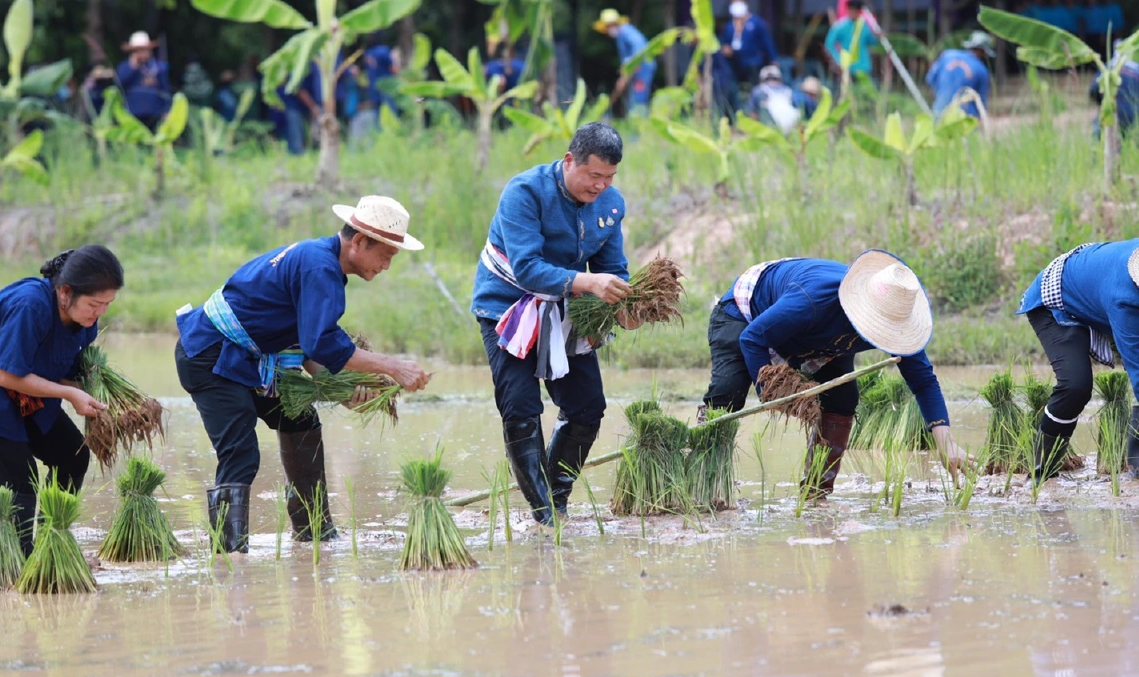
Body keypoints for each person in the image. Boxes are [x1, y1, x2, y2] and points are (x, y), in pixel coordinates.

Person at [175, 196, 431, 553]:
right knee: (241, 452)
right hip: (214, 356)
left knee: (302, 421)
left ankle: (314, 536)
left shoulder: (320, 263)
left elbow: (307, 347)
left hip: (250, 359)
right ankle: (229, 556)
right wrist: (393, 366)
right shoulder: (318, 266)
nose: (387, 266)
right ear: (359, 242)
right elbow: (322, 342)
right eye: (386, 255)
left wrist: (344, 392)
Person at [471, 123, 638, 526]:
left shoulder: (611, 204)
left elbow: (613, 268)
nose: (600, 185)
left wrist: (625, 306)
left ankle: (555, 500)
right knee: (521, 408)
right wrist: (589, 283)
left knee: (587, 407)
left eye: (609, 177)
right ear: (568, 161)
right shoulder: (524, 193)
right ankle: (544, 515)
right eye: (593, 175)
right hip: (506, 306)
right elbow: (527, 268)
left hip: (567, 307)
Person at [699, 251, 968, 496]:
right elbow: (752, 339)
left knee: (842, 399)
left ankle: (816, 493)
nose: (883, 332)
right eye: (878, 325)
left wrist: (946, 443)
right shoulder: (812, 301)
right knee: (728, 393)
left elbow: (923, 382)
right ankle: (704, 482)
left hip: (821, 339)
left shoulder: (896, 322)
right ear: (860, 309)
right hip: (746, 313)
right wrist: (774, 392)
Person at [0, 247, 124, 555]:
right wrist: (70, 394)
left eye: (107, 304)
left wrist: (91, 391)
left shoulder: (84, 322)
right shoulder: (30, 305)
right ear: (65, 292)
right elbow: (5, 374)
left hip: (21, 382)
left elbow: (54, 367)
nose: (99, 312)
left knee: (72, 456)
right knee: (19, 481)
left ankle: (52, 546)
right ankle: (20, 564)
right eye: (94, 304)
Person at [1017, 241, 1139, 481]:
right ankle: (1042, 471)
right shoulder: (1124, 299)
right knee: (1076, 386)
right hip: (1057, 301)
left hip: (1094, 287)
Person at [594, 8, 656, 115]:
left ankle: (638, 121)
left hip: (642, 68)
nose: (610, 29)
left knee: (638, 99)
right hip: (636, 69)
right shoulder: (620, 36)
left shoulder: (626, 31)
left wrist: (632, 67)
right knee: (633, 98)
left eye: (611, 25)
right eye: (608, 26)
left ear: (617, 23)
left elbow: (639, 46)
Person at [927, 32, 994, 119]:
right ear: (982, 51)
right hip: (965, 117)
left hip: (940, 111)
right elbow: (981, 101)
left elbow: (930, 79)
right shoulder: (982, 70)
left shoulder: (947, 56)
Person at [115, 31, 171, 130]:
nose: (142, 53)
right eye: (138, 50)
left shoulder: (159, 67)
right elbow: (120, 83)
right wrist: (133, 66)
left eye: (144, 50)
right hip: (132, 113)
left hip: (155, 114)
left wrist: (167, 110)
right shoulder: (124, 67)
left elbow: (166, 90)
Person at [721, 2, 779, 89]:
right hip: (734, 64)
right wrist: (725, 49)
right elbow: (723, 42)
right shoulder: (729, 26)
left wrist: (773, 59)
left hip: (753, 63)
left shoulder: (757, 23)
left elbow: (767, 42)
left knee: (754, 87)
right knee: (736, 88)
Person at [825, 0, 879, 81]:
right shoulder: (840, 26)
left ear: (859, 11)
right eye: (851, 10)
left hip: (863, 67)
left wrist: (877, 37)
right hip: (847, 68)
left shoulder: (863, 25)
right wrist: (837, 59)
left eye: (855, 10)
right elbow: (829, 44)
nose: (853, 13)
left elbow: (871, 41)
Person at [1091, 46, 1139, 136]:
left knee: (1098, 133)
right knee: (1127, 138)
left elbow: (1093, 90)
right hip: (1133, 114)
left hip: (1109, 110)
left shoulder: (1108, 66)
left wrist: (1102, 101)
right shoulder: (1137, 68)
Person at [745, 64, 800, 133]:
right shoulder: (789, 91)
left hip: (770, 130)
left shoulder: (758, 90)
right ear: (780, 79)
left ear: (761, 79)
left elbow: (752, 115)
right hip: (792, 129)